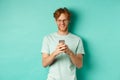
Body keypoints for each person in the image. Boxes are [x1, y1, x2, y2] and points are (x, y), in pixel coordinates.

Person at [41, 7, 85, 80]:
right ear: (56, 21)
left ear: (69, 20)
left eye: (64, 20)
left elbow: (79, 65)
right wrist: (55, 53)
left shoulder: (77, 39)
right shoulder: (48, 38)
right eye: (59, 20)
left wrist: (70, 52)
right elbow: (44, 64)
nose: (62, 23)